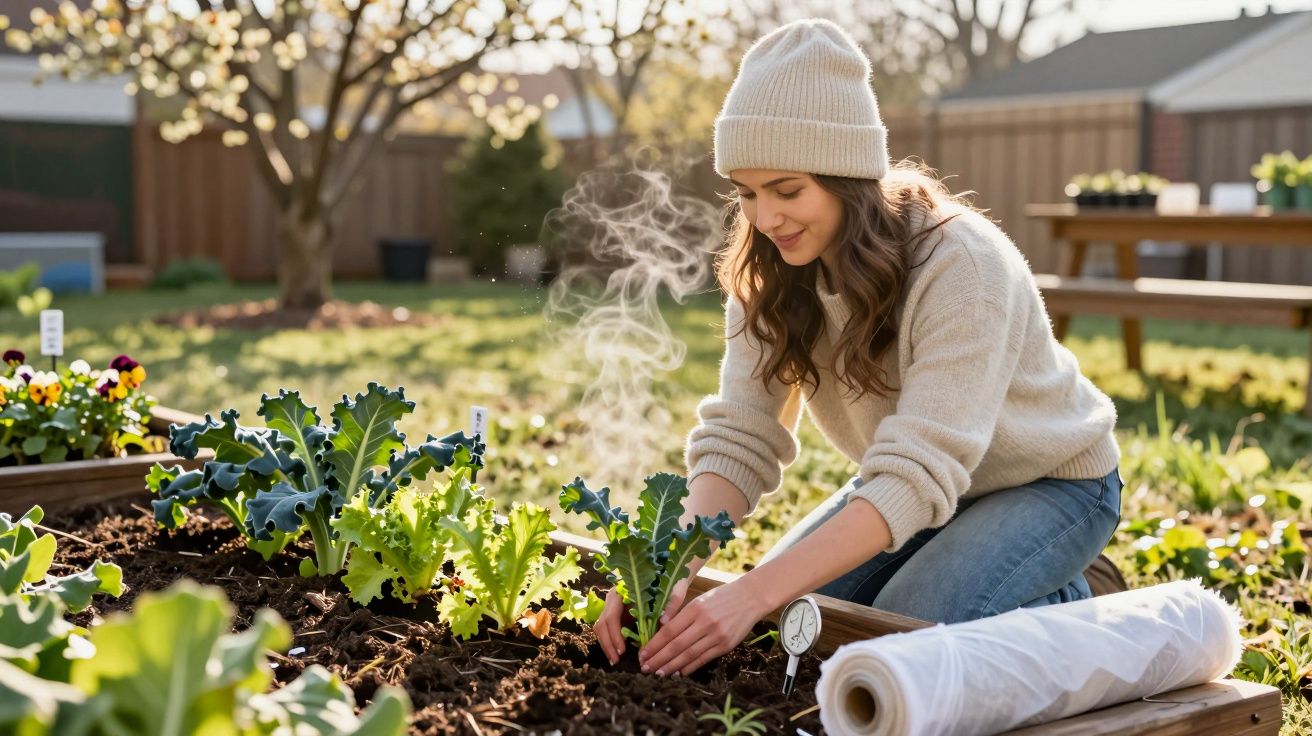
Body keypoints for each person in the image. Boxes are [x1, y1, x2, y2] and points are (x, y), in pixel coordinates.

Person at [592, 18, 1122, 678]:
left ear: (848, 178)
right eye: (748, 193)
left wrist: (752, 590)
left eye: (788, 191)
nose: (765, 218)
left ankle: (1079, 589)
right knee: (791, 632)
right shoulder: (768, 267)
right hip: (921, 490)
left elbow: (918, 467)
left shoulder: (962, 264)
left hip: (1051, 485)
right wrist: (665, 563)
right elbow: (741, 436)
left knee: (894, 639)